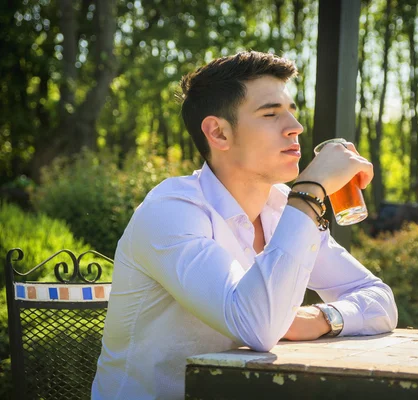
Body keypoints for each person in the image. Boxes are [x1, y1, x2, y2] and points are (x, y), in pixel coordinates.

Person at [92, 51, 398, 399]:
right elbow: (258, 326)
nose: (295, 127)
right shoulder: (170, 211)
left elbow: (380, 301)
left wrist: (323, 317)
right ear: (218, 133)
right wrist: (310, 191)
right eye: (270, 114)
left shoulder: (283, 206)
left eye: (292, 112)